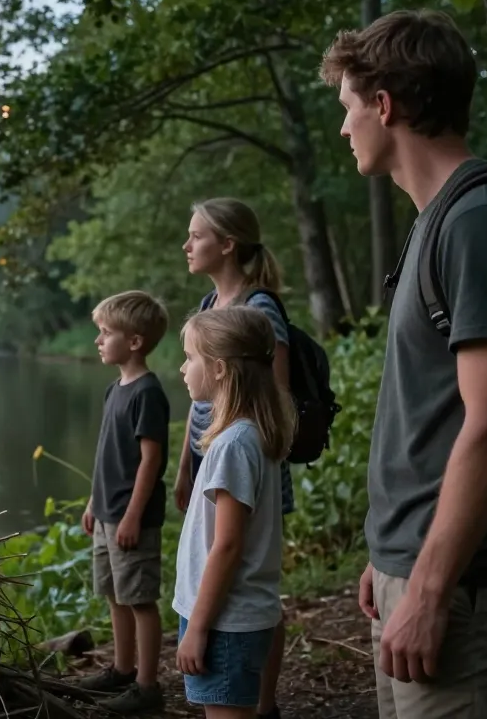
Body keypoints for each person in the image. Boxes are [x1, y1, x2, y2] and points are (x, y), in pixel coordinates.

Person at [319, 9, 487, 718]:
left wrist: (427, 588)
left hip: (466, 587)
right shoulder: (440, 220)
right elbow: (434, 413)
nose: (344, 129)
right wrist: (391, 549)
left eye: (348, 109)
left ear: (384, 104)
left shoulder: (479, 224)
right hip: (425, 568)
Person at [175, 196, 294, 719]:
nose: (187, 244)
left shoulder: (259, 309)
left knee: (241, 554)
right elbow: (201, 407)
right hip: (218, 453)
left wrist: (199, 626)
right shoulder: (208, 309)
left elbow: (275, 391)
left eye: (196, 234)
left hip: (237, 457)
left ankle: (261, 704)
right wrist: (185, 465)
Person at [77, 289, 171, 714]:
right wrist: (94, 503)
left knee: (140, 599)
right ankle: (122, 668)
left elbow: (151, 461)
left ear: (133, 341)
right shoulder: (115, 389)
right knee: (115, 594)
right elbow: (105, 452)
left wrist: (133, 515)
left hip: (132, 518)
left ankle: (148, 687)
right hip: (107, 513)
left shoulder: (147, 393)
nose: (98, 340)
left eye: (106, 332)